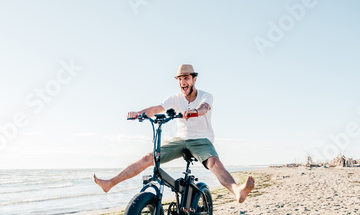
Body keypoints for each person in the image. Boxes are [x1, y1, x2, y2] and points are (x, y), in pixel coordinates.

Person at [93, 64, 255, 203]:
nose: (183, 82)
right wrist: (138, 113)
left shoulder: (206, 96)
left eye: (186, 78)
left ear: (194, 79)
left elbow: (204, 108)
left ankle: (237, 191)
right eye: (179, 79)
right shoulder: (175, 98)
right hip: (180, 140)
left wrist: (194, 111)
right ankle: (110, 183)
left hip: (201, 140)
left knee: (215, 163)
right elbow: (156, 109)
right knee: (148, 158)